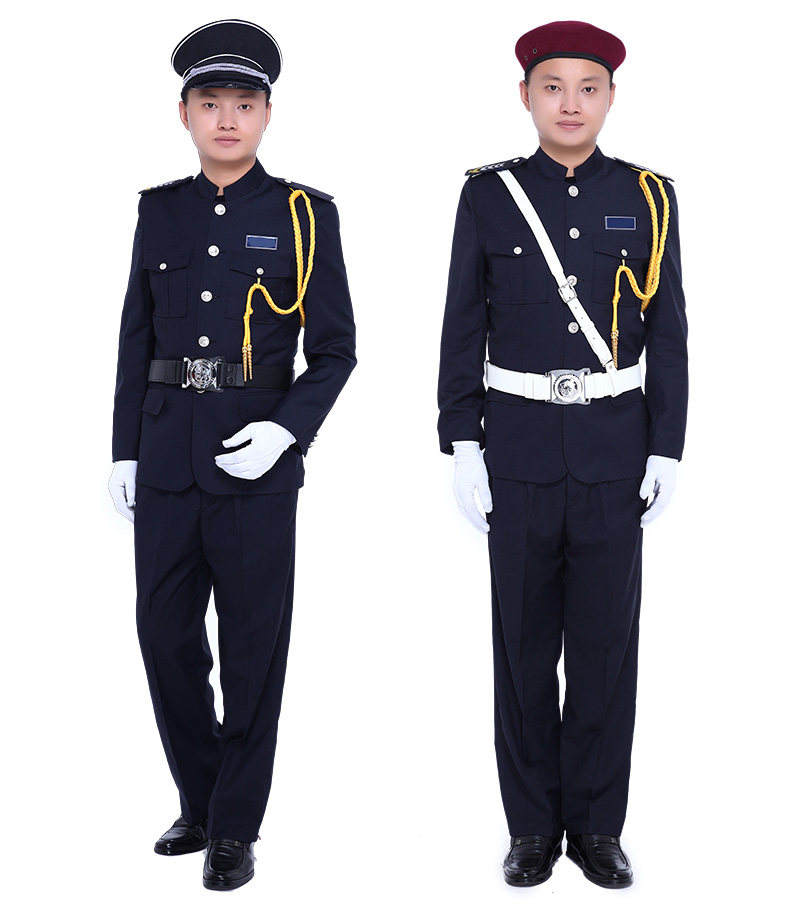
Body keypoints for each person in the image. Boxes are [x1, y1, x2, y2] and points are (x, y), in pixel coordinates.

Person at [437, 19, 688, 890]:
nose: (570, 103)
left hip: (616, 453)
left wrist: (668, 447)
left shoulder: (650, 197)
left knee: (606, 651)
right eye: (553, 86)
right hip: (518, 451)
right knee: (522, 649)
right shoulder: (489, 197)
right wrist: (462, 440)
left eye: (588, 87)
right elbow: (461, 324)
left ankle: (598, 828)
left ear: (611, 97)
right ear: (525, 96)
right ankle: (533, 828)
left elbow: (670, 332)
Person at [108, 18, 356, 891]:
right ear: (184, 113)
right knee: (164, 636)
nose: (226, 119)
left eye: (243, 104)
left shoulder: (305, 214)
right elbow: (136, 337)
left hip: (257, 463)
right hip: (167, 457)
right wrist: (124, 450)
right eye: (210, 103)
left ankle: (235, 826)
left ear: (267, 115)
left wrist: (286, 430)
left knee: (253, 645)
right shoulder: (159, 210)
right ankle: (203, 797)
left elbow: (336, 350)